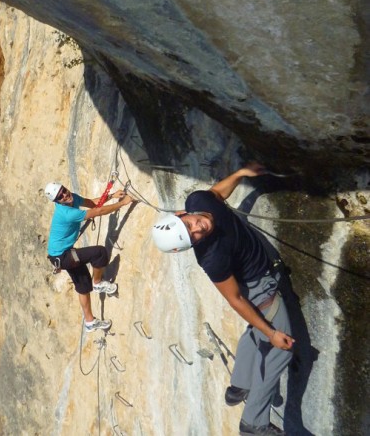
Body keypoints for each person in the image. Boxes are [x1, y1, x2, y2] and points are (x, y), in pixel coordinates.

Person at [151, 163, 294, 436]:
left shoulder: (198, 201)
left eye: (190, 225)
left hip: (259, 270)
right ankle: (254, 423)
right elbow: (237, 299)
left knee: (258, 329)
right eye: (192, 237)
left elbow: (217, 194)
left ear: (182, 213)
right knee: (280, 348)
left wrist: (240, 174)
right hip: (258, 287)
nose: (198, 229)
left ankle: (239, 385)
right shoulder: (212, 258)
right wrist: (272, 333)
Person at [45, 181, 134, 333]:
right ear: (56, 201)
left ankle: (90, 322)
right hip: (63, 256)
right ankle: (98, 283)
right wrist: (123, 203)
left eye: (64, 191)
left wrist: (112, 196)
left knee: (83, 287)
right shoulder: (67, 213)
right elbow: (98, 212)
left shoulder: (72, 198)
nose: (65, 195)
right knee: (99, 253)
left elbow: (93, 204)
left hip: (60, 255)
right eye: (60, 196)